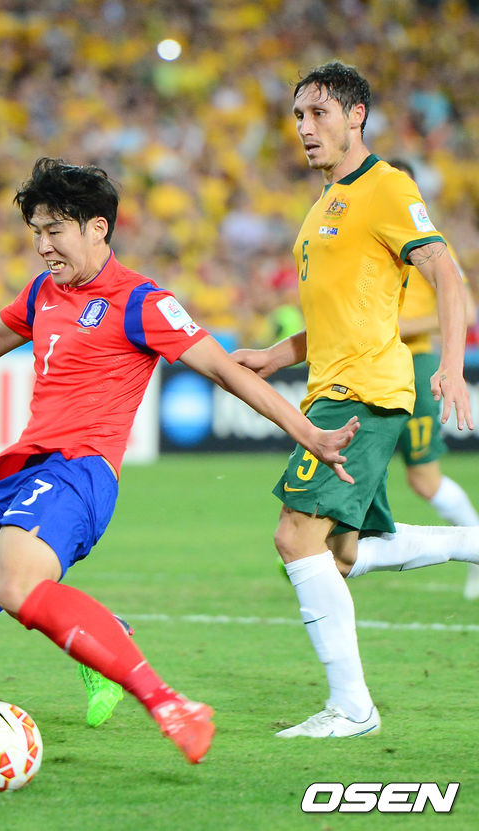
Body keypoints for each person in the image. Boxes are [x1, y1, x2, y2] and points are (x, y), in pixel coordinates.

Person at [0, 157, 360, 782]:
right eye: (35, 230)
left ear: (98, 229)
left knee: (14, 586)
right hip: (21, 479)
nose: (42, 245)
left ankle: (172, 705)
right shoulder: (42, 294)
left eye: (55, 229)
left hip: (78, 475)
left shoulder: (142, 301)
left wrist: (310, 435)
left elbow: (224, 370)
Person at [232, 62, 478, 739]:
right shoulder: (322, 207)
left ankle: (352, 708)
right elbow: (343, 314)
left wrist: (452, 367)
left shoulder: (387, 187)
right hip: (331, 387)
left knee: (295, 535)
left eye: (319, 114)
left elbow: (447, 276)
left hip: (363, 392)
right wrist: (275, 355)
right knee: (341, 551)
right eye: (299, 118)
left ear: (356, 114)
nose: (306, 129)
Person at [388, 159, 479, 601]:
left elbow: (467, 307)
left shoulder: (429, 244)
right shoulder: (372, 240)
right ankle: (319, 548)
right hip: (368, 366)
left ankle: (475, 544)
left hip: (414, 366)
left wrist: (400, 326)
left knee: (423, 479)